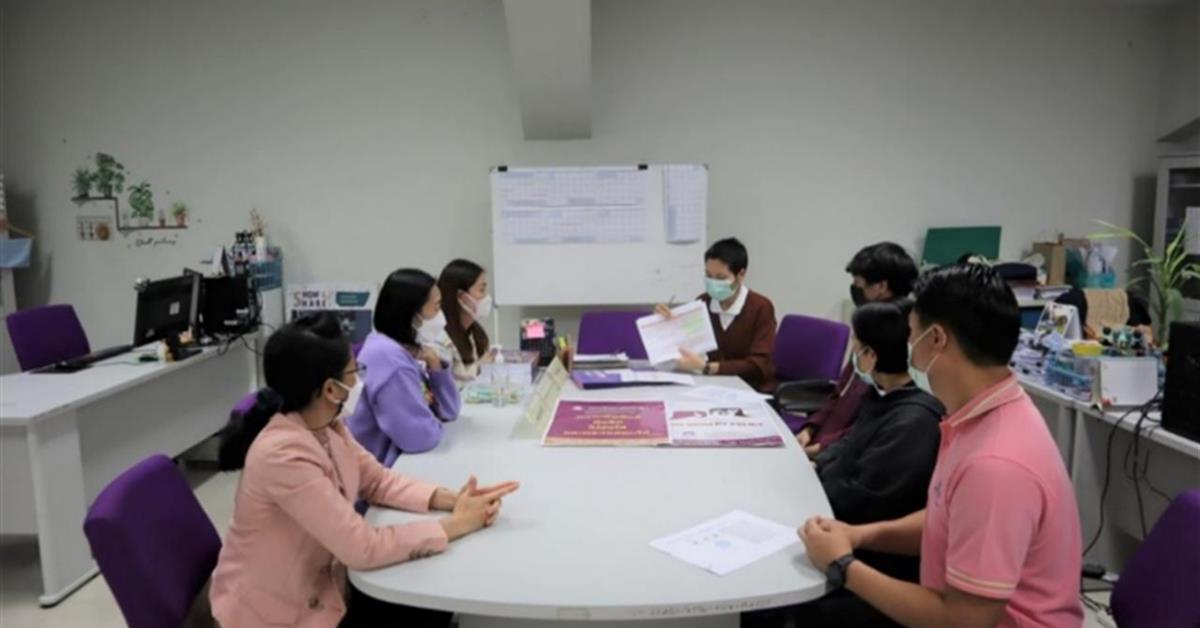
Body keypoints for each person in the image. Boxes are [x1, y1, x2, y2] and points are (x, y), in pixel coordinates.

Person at [794, 264, 1083, 628]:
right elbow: (950, 518)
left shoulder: (995, 463)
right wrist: (860, 535)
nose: (908, 347)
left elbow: (964, 621)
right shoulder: (981, 414)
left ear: (936, 339)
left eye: (911, 333)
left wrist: (843, 566)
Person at [209, 314, 519, 628]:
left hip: (325, 584)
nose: (360, 380)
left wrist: (454, 500)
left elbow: (377, 481)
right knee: (431, 600)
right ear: (330, 389)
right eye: (355, 371)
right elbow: (362, 547)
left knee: (436, 595)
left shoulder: (326, 425)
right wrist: (457, 524)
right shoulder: (282, 455)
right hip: (282, 614)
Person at [795, 242, 918, 457]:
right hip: (824, 442)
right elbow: (840, 391)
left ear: (881, 286)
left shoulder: (901, 341)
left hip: (844, 453)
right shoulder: (867, 326)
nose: (855, 290)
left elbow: (871, 419)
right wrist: (810, 428)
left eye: (858, 283)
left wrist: (821, 449)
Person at [348, 269, 462, 462]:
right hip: (384, 469)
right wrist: (433, 423)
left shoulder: (403, 350)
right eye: (436, 307)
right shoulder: (389, 360)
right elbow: (419, 438)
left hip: (399, 463)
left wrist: (435, 366)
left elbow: (449, 411)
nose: (441, 315)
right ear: (413, 314)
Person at [654, 237, 777, 393]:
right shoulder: (703, 302)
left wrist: (708, 367)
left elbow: (758, 365)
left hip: (752, 390)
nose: (713, 283)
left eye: (720, 278)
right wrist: (667, 324)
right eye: (708, 275)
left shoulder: (761, 307)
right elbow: (688, 347)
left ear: (741, 275)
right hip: (713, 387)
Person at [435, 258, 495, 383]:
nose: (486, 297)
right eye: (481, 290)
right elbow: (446, 386)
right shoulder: (439, 337)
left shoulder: (475, 332)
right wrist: (479, 368)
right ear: (461, 296)